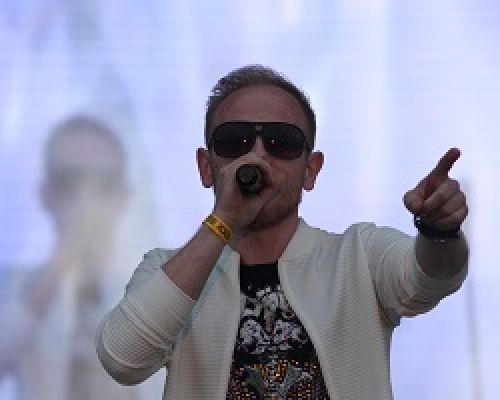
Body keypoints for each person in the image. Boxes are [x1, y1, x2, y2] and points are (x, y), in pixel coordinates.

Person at [96, 65, 469, 399]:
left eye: (282, 142)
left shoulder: (358, 256)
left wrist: (439, 231)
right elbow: (122, 359)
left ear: (311, 170)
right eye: (234, 140)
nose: (257, 156)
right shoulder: (170, 271)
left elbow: (430, 278)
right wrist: (225, 220)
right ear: (206, 167)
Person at [0, 115, 162, 400]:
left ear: (124, 197)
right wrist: (55, 272)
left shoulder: (161, 290)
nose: (86, 200)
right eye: (69, 183)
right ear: (46, 195)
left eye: (104, 184)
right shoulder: (17, 290)